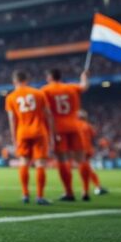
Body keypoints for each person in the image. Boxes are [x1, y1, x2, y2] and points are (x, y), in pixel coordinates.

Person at [6, 70, 54, 205]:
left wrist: (14, 138)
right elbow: (48, 115)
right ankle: (40, 196)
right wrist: (51, 134)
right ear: (27, 80)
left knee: (24, 162)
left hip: (22, 132)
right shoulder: (39, 93)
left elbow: (12, 120)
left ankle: (25, 194)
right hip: (39, 131)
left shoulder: (11, 97)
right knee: (40, 163)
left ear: (14, 81)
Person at [42, 69, 91, 201]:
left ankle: (69, 192)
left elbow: (46, 112)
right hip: (75, 126)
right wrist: (84, 77)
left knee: (62, 160)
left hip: (58, 128)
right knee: (81, 159)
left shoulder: (45, 90)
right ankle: (85, 191)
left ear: (50, 77)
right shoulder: (71, 87)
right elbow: (84, 86)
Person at [77, 110, 108, 195]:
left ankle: (85, 190)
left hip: (79, 150)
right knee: (88, 169)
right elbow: (93, 136)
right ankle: (98, 186)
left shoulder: (75, 125)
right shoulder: (88, 125)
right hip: (88, 149)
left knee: (83, 169)